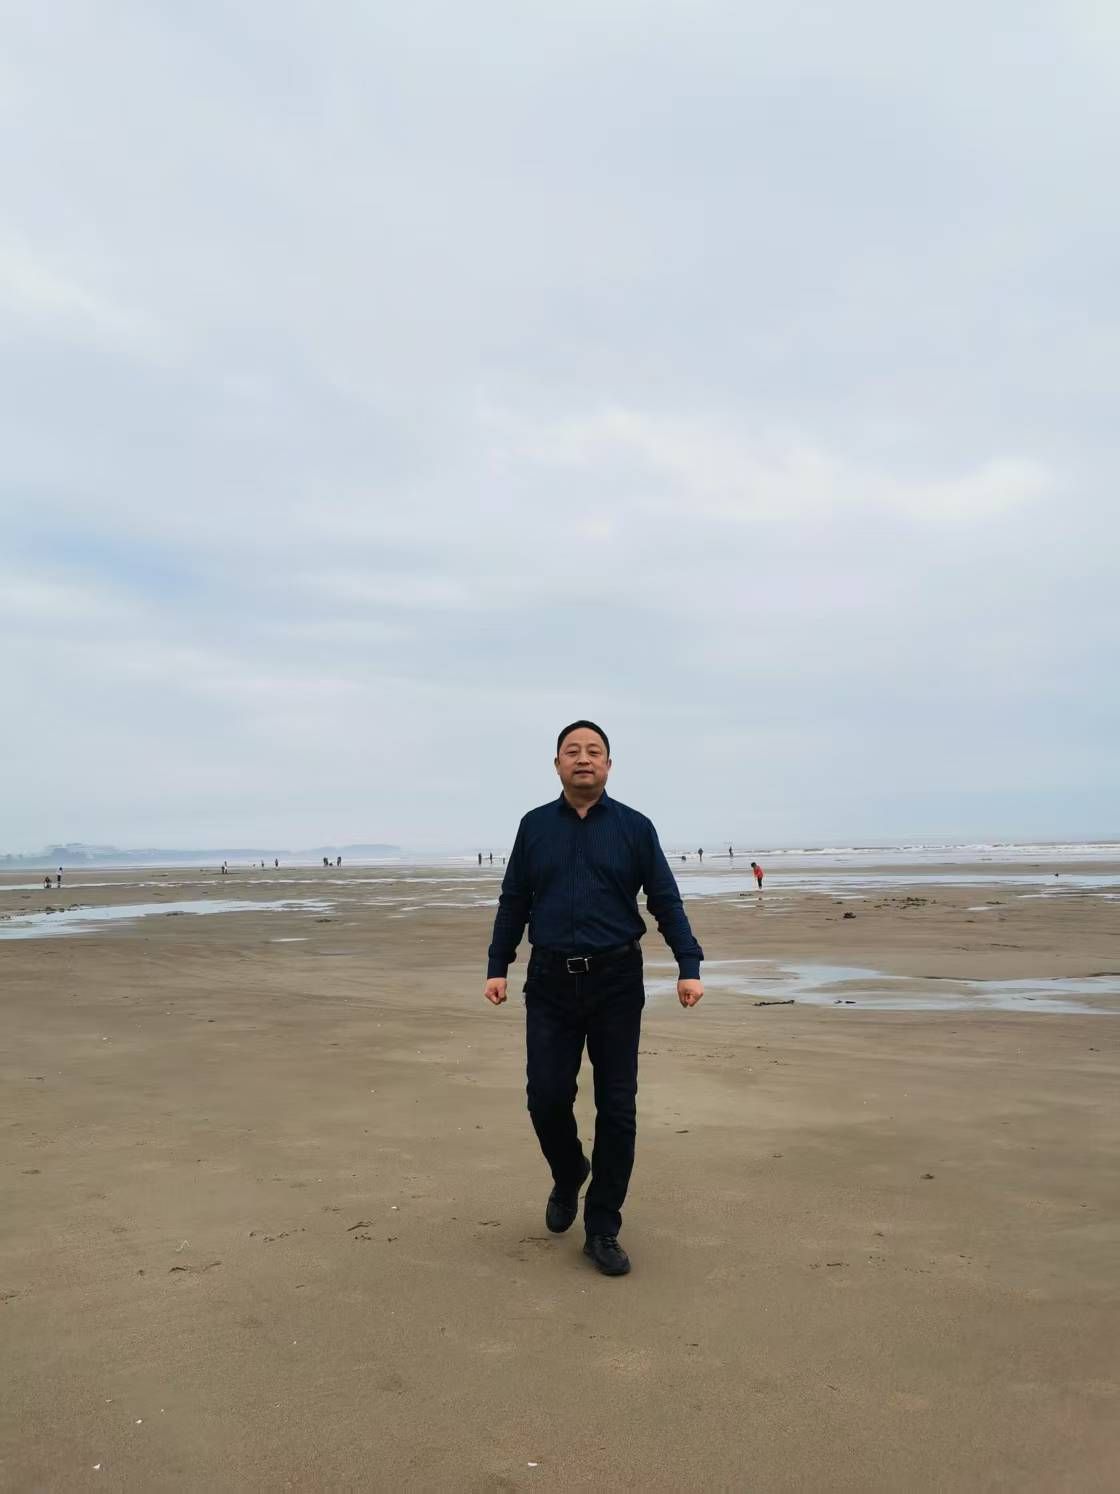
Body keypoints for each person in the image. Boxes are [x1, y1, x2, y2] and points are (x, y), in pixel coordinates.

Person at [484, 720, 704, 1277]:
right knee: (546, 1097)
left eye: (594, 751)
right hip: (550, 980)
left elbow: (664, 898)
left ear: (608, 764)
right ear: (557, 764)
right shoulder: (534, 827)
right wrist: (497, 965)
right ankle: (568, 1171)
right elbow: (514, 899)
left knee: (618, 1107)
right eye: (572, 751)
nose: (583, 759)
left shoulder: (635, 827)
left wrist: (688, 965)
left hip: (616, 980)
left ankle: (603, 1227)